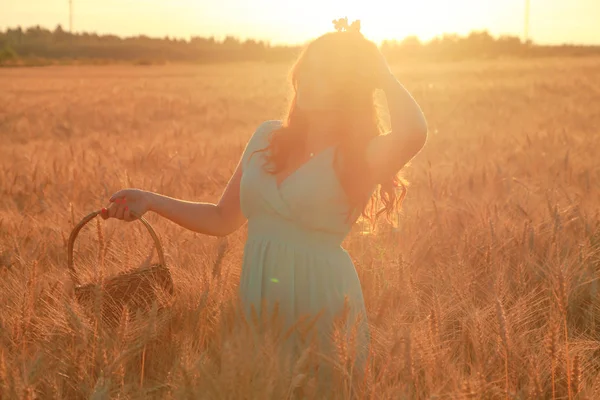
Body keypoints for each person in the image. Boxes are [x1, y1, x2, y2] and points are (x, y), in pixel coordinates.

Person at [101, 18, 427, 386]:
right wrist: (150, 200)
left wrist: (377, 67)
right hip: (259, 298)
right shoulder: (268, 136)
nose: (308, 78)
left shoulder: (360, 155)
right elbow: (222, 218)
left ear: (348, 88)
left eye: (325, 72)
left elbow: (414, 132)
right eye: (309, 68)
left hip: (323, 302)